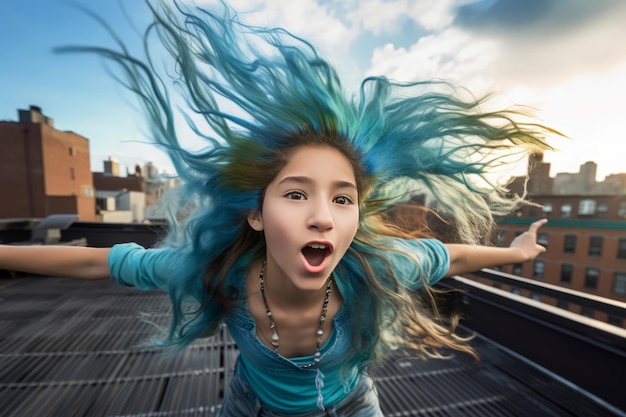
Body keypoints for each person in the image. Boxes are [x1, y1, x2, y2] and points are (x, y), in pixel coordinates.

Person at [0, 1, 558, 416]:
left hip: (352, 405)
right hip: (253, 404)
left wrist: (515, 252)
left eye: (343, 199)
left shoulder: (377, 268)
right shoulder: (216, 275)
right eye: (296, 194)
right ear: (256, 213)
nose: (324, 216)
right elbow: (98, 262)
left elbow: (448, 257)